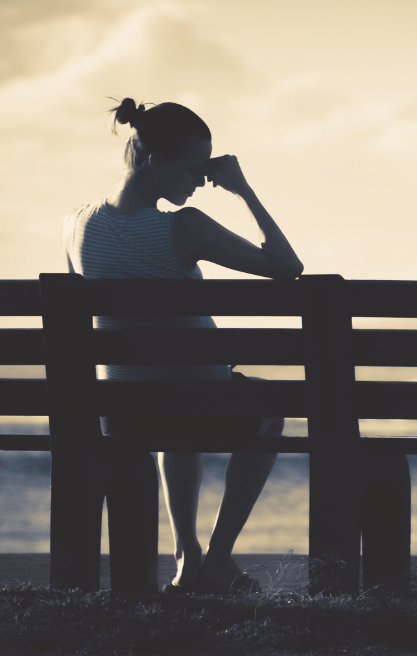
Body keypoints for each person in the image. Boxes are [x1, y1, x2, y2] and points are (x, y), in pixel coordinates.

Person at [63, 97, 304, 593]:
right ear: (155, 161)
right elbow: (286, 265)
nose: (201, 181)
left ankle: (186, 558)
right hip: (195, 401)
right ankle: (214, 559)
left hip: (119, 412)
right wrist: (242, 189)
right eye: (195, 168)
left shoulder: (77, 224)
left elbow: (78, 324)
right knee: (271, 412)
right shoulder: (183, 226)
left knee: (178, 417)